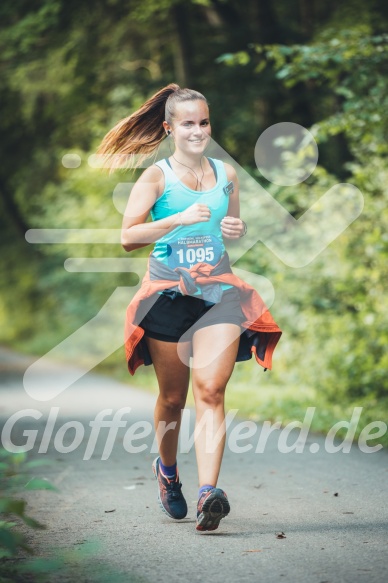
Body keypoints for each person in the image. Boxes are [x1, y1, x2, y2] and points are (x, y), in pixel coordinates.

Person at [98, 83, 282, 532]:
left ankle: (208, 494)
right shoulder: (156, 177)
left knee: (211, 391)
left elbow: (228, 226)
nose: (198, 131)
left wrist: (234, 227)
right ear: (169, 128)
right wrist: (177, 218)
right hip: (165, 295)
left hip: (216, 291)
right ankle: (168, 472)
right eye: (187, 124)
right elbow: (127, 237)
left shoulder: (226, 174)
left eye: (203, 122)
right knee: (174, 399)